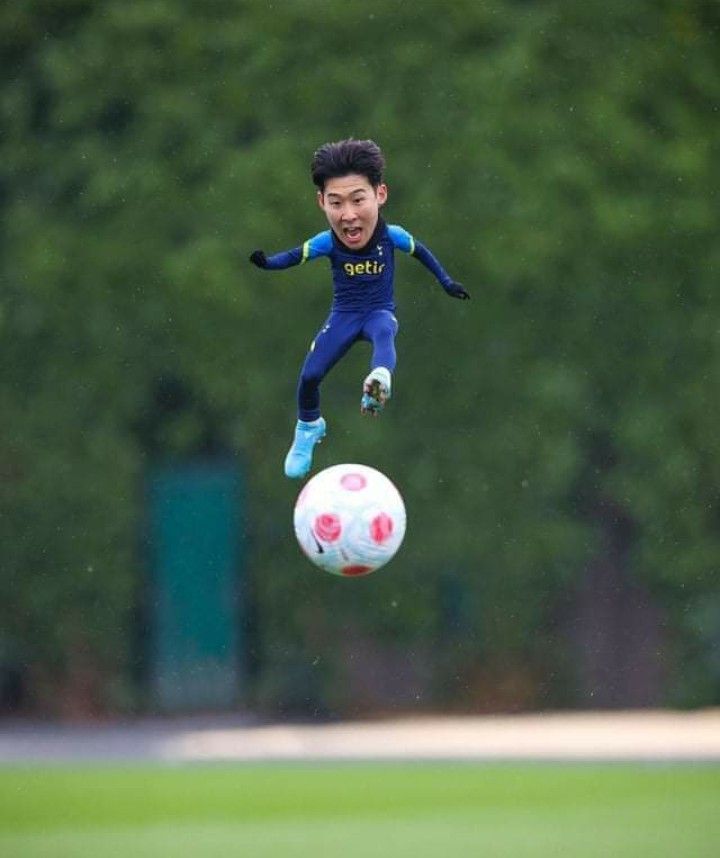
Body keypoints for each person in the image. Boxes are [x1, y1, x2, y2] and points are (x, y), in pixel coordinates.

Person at [249, 138, 469, 479]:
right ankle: (309, 426)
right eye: (336, 203)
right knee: (308, 377)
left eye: (358, 200)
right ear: (321, 202)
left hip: (378, 310)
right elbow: (293, 256)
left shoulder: (392, 236)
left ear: (380, 194)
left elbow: (422, 252)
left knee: (385, 334)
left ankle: (379, 380)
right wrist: (267, 263)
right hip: (344, 316)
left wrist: (446, 281)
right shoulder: (327, 242)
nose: (348, 215)